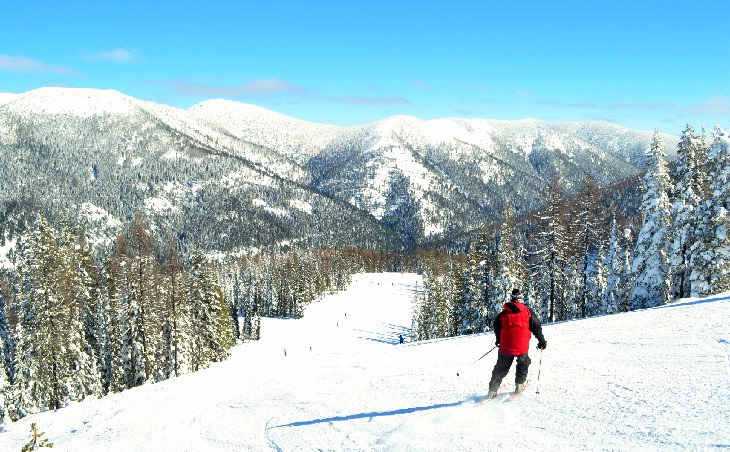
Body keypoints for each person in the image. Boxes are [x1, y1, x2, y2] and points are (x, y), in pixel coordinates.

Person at [487, 289, 546, 398]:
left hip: (505, 347)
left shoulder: (503, 314)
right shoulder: (528, 312)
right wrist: (541, 341)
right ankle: (519, 385)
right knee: (523, 363)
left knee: (500, 368)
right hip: (521, 346)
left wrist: (498, 340)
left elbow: (496, 326)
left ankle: (492, 391)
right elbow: (537, 327)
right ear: (521, 299)